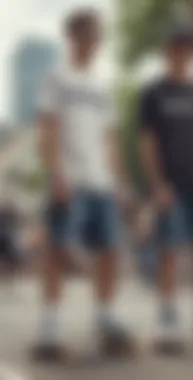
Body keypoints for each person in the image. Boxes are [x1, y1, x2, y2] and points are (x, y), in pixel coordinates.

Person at [33, 8, 134, 361]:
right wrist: (56, 172)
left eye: (99, 34)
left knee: (110, 250)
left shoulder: (101, 84)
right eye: (89, 33)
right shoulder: (56, 77)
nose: (95, 40)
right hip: (70, 179)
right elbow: (46, 128)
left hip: (101, 182)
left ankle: (105, 320)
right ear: (72, 36)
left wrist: (120, 182)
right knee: (58, 250)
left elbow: (110, 138)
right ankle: (50, 330)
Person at [139, 25, 193, 354]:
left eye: (188, 49)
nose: (182, 54)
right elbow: (147, 143)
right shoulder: (154, 93)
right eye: (177, 47)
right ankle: (167, 322)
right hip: (170, 187)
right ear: (167, 51)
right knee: (169, 253)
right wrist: (156, 183)